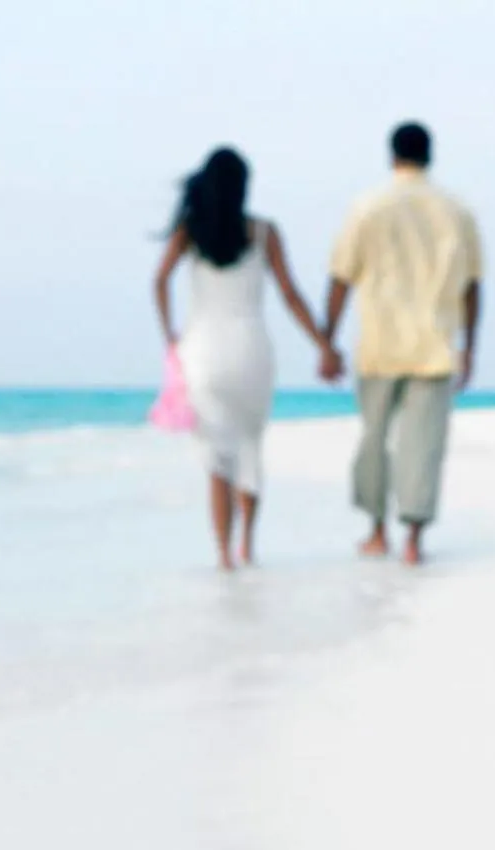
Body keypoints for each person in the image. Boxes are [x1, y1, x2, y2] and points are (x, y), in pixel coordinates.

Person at [153, 147, 342, 570]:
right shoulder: (264, 232)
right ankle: (247, 546)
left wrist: (169, 335)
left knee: (217, 459)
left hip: (202, 352)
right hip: (251, 351)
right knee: (249, 449)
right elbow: (290, 295)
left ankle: (223, 554)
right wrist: (323, 344)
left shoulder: (190, 231)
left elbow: (159, 280)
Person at [322, 122, 484, 565]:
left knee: (374, 439)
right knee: (424, 445)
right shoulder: (456, 210)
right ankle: (413, 540)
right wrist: (470, 346)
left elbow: (341, 277)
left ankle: (376, 532)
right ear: (429, 155)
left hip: (380, 341)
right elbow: (472, 285)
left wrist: (327, 340)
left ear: (392, 155)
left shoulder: (367, 207)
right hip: (434, 343)